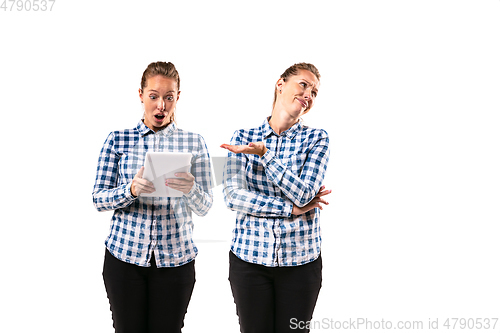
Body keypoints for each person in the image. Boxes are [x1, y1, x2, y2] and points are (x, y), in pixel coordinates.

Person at [92, 61, 213, 333]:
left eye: (169, 97)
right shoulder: (118, 140)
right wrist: (130, 190)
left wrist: (190, 189)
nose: (161, 105)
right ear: (141, 95)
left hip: (175, 262)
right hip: (124, 260)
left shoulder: (194, 142)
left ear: (177, 98)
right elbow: (98, 198)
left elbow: (206, 206)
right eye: (154, 96)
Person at [221, 63, 331, 333]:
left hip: (300, 264)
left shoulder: (317, 139)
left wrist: (265, 155)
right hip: (249, 261)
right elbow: (233, 197)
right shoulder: (242, 137)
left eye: (315, 92)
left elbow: (305, 194)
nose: (309, 94)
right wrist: (289, 209)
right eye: (303, 85)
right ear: (280, 84)